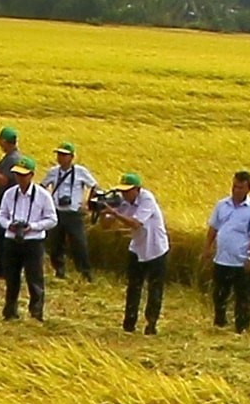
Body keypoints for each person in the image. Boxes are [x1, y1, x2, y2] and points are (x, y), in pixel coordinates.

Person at [99, 172, 169, 335]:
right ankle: (129, 324)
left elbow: (136, 223)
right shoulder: (122, 202)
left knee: (154, 288)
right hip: (137, 248)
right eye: (122, 191)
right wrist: (103, 212)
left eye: (128, 190)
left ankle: (151, 323)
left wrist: (115, 213)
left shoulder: (147, 200)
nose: (124, 194)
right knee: (133, 287)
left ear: (137, 189)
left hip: (156, 249)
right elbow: (106, 226)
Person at [0, 155, 55, 321]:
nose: (20, 178)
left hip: (33, 242)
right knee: (12, 279)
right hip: (12, 241)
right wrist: (10, 225)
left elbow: (52, 219)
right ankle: (9, 312)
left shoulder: (43, 196)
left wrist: (33, 227)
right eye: (17, 174)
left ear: (31, 175)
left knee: (34, 279)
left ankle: (36, 313)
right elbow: (1, 215)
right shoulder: (9, 194)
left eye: (23, 175)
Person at [205, 170, 250, 333]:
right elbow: (213, 228)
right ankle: (219, 323)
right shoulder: (222, 205)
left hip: (240, 260)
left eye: (240, 187)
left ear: (248, 189)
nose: (236, 190)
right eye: (234, 186)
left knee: (242, 297)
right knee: (219, 295)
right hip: (221, 259)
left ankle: (241, 328)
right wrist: (207, 248)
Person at [41, 142, 98, 280]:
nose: (60, 158)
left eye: (64, 155)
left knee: (79, 243)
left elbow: (95, 186)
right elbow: (42, 186)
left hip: (73, 213)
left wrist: (89, 203)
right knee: (55, 244)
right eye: (59, 155)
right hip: (57, 212)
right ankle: (59, 269)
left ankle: (85, 271)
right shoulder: (53, 172)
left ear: (72, 157)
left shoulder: (80, 171)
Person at [0, 126, 25, 279]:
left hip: (7, 205)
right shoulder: (8, 157)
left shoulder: (13, 159)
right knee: (0, 238)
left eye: (0, 140)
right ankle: (0, 270)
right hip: (5, 203)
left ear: (4, 141)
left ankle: (3, 271)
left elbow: (3, 180)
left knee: (3, 238)